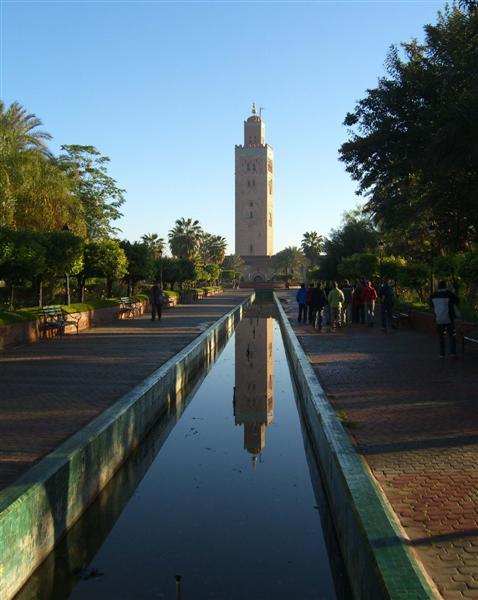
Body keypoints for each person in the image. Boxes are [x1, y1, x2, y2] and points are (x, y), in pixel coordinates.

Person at [430, 280, 459, 357]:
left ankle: (442, 353)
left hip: (439, 318)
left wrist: (435, 316)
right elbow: (457, 301)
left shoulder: (433, 295)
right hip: (449, 318)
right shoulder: (449, 294)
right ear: (445, 286)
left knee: (441, 337)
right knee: (451, 336)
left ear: (438, 286)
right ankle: (452, 352)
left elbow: (432, 307)